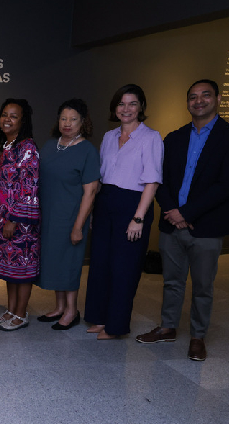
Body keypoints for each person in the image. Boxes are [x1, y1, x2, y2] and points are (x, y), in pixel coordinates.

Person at [136, 79, 229, 361]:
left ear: (218, 99)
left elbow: (226, 185)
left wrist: (187, 213)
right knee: (172, 282)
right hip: (172, 224)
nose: (199, 101)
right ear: (187, 103)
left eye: (205, 95)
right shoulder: (174, 138)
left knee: (203, 286)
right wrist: (174, 211)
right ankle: (168, 327)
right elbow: (161, 180)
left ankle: (198, 336)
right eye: (193, 97)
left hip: (206, 226)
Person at [84, 84, 163, 340]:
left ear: (141, 107)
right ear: (114, 108)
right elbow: (102, 177)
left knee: (124, 268)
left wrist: (138, 217)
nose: (126, 109)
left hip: (132, 204)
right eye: (121, 104)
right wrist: (96, 211)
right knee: (100, 264)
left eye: (132, 103)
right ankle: (98, 318)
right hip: (106, 201)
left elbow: (152, 182)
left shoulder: (151, 137)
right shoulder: (108, 136)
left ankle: (116, 326)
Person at [36, 99, 100, 330]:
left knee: (69, 264)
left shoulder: (87, 151)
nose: (67, 123)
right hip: (49, 217)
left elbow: (90, 192)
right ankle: (59, 306)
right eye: (63, 118)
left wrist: (77, 226)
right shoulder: (50, 146)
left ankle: (72, 311)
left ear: (83, 122)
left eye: (73, 119)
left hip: (71, 217)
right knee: (54, 262)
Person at [0, 99, 40, 331]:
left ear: (23, 121)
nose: (7, 119)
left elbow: (30, 187)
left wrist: (14, 219)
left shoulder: (27, 147)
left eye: (14, 116)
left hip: (21, 222)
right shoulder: (8, 146)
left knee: (22, 269)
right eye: (4, 115)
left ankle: (21, 313)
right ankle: (11, 310)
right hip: (3, 220)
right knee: (10, 271)